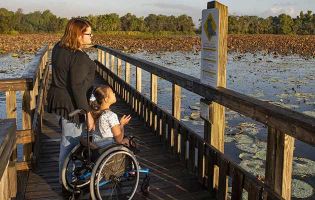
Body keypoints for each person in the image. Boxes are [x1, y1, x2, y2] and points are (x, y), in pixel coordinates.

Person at [46, 18, 96, 183]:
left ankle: (67, 179)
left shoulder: (58, 47)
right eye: (88, 33)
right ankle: (66, 183)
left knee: (66, 141)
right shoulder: (78, 57)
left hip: (58, 101)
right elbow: (77, 87)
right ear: (79, 35)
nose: (91, 36)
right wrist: (87, 112)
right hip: (71, 106)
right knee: (69, 146)